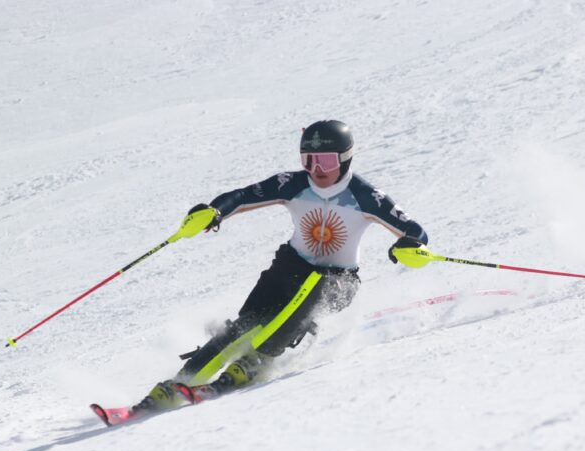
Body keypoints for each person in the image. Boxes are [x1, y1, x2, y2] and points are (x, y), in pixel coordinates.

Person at [134, 120, 428, 410]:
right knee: (243, 327)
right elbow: (243, 196)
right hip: (290, 268)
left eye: (326, 161)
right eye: (308, 160)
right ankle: (178, 385)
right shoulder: (294, 184)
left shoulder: (365, 196)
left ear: (345, 158)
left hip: (339, 281)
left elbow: (415, 231)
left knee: (316, 286)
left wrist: (409, 245)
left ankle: (258, 359)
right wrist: (215, 211)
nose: (317, 169)